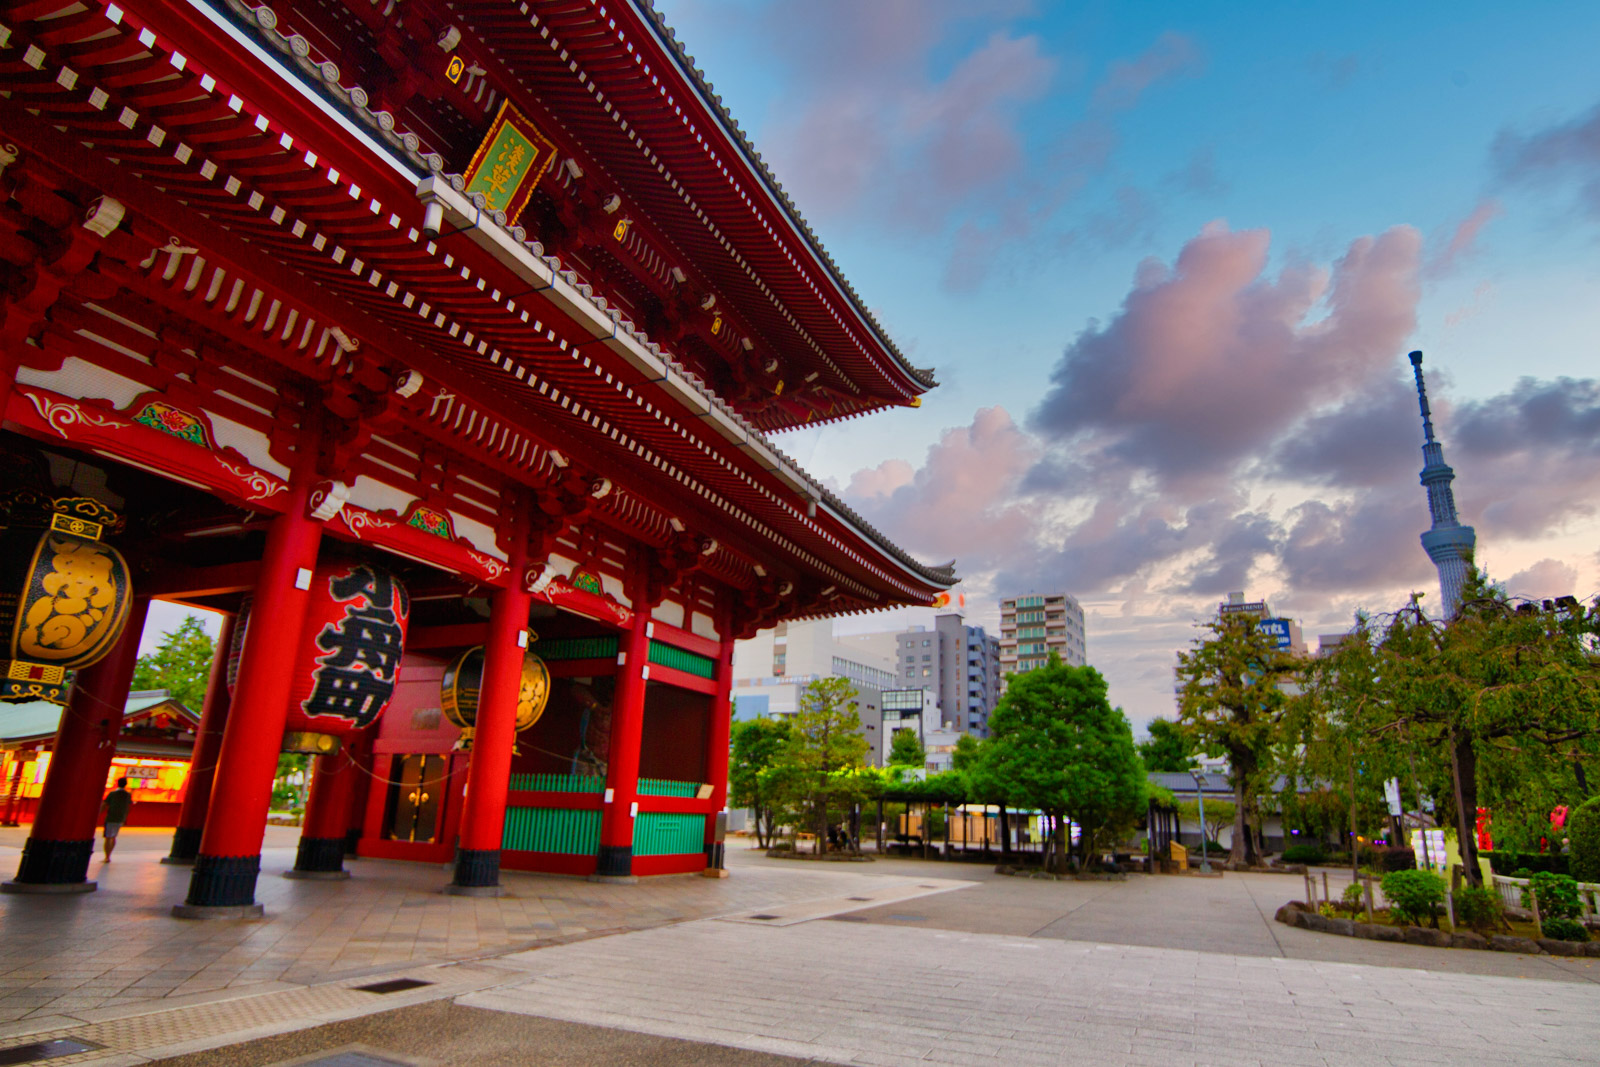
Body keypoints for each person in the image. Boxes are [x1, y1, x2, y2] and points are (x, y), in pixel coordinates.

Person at [101, 777, 133, 861]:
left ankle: (107, 857)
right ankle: (110, 854)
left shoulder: (112, 794)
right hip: (120, 818)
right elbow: (128, 807)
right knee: (114, 836)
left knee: (108, 837)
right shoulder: (128, 795)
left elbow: (104, 804)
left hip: (111, 817)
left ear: (117, 783)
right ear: (125, 784)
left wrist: (99, 813)